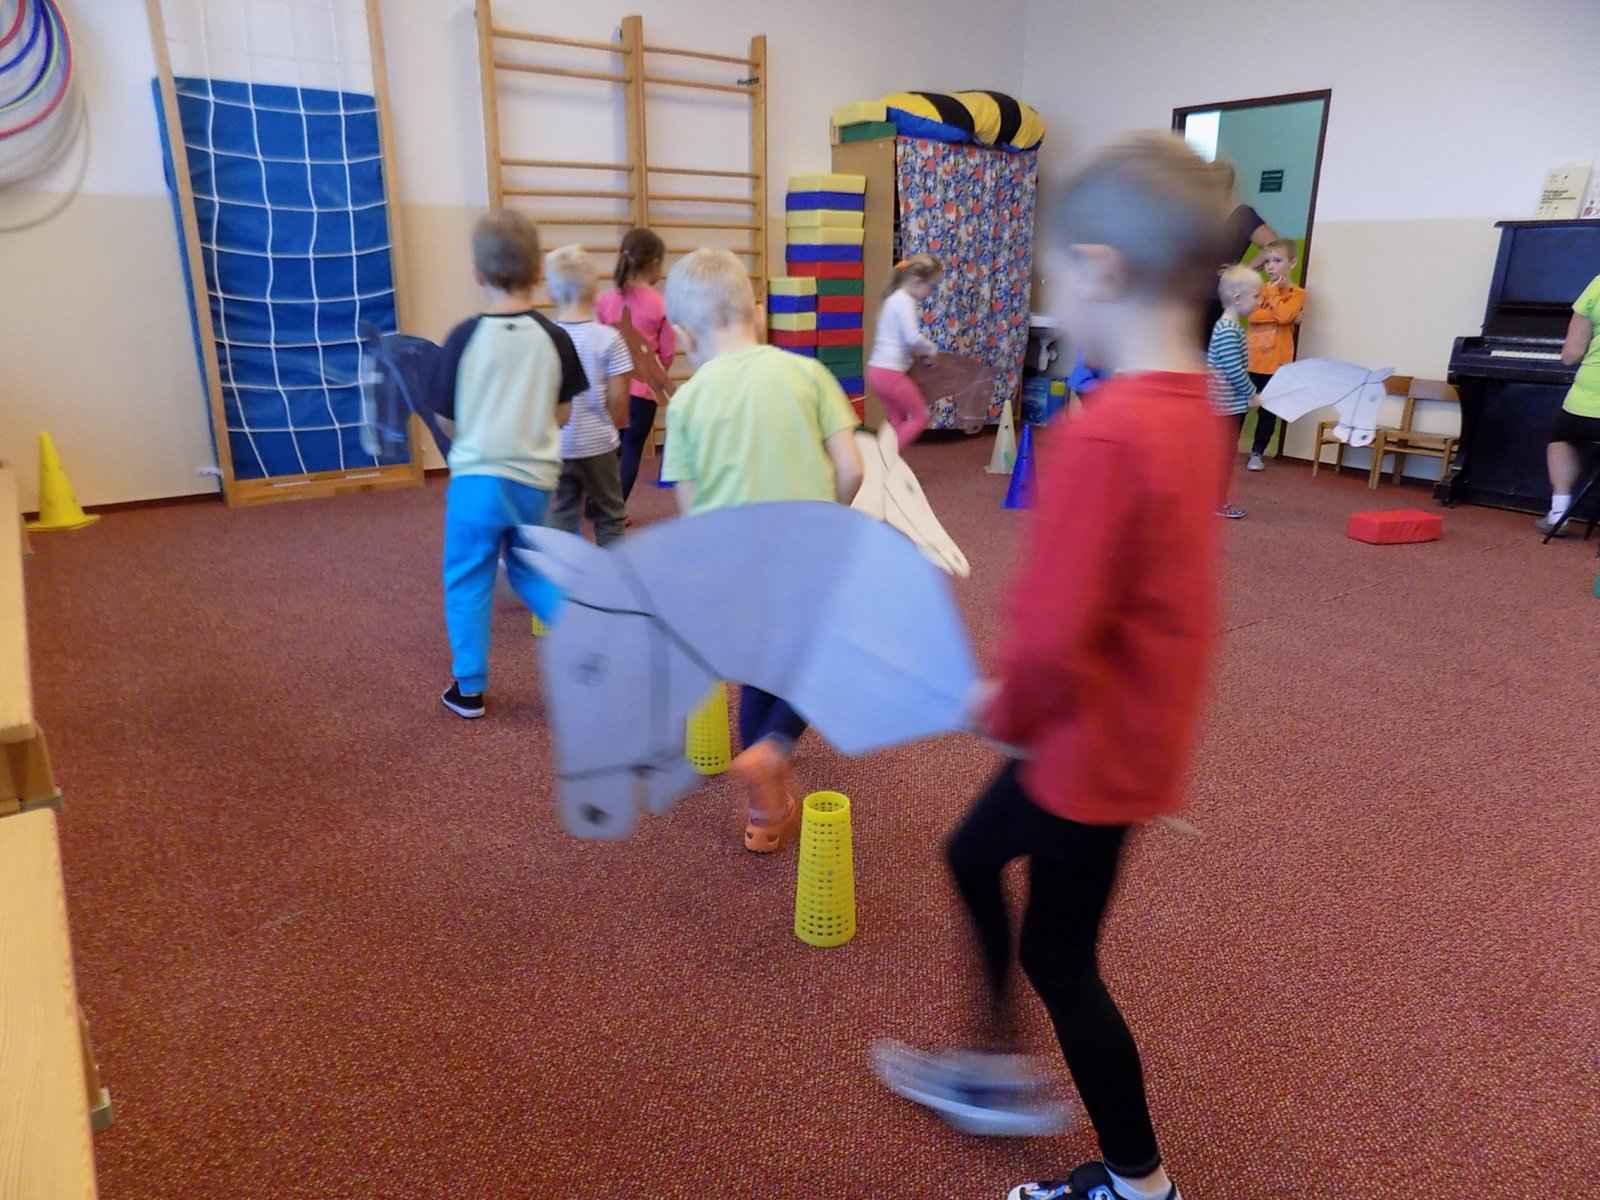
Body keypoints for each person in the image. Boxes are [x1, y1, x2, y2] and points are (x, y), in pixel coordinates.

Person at [870, 131, 1229, 1200]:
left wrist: (1003, 703)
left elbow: (1056, 627)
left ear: (1101, 271)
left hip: (1081, 748)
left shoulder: (1107, 431)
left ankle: (1137, 1182)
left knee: (1060, 962)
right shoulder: (1194, 412)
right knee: (972, 856)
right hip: (1121, 733)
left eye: (1055, 278)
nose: (1054, 305)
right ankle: (992, 1068)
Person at [660, 248, 864, 852]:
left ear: (682, 336)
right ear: (758, 312)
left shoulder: (687, 401)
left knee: (757, 672)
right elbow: (852, 468)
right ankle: (774, 749)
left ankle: (764, 813)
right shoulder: (808, 373)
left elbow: (691, 510)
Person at [432, 211, 587, 719]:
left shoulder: (463, 337)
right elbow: (563, 414)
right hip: (533, 482)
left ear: (477, 273)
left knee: (468, 576)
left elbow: (446, 419)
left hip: (476, 481)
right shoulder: (555, 337)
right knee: (527, 569)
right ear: (539, 271)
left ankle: (469, 688)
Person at [545, 245, 633, 547]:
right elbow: (619, 400)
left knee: (562, 513)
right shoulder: (610, 338)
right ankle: (613, 572)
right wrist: (613, 426)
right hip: (599, 444)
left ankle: (562, 571)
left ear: (552, 293)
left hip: (559, 444)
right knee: (610, 514)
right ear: (595, 291)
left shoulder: (546, 337)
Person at [596, 228, 675, 502]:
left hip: (611, 389)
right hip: (643, 393)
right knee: (631, 449)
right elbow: (667, 353)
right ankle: (615, 511)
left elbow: (597, 346)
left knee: (609, 450)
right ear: (654, 263)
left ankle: (598, 502)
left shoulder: (605, 301)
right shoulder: (660, 305)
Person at [1537, 271, 1600, 536]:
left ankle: (1559, 512)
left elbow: (1571, 355)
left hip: (1586, 401)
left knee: (1562, 439)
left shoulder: (1598, 285)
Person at [1198, 161, 1280, 345]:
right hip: (1192, 298)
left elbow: (1274, 245)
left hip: (1217, 299)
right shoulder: (1204, 216)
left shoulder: (1243, 215)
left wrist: (1243, 270)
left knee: (1211, 352)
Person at [867, 253, 943, 448]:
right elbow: (912, 337)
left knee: (897, 421)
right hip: (890, 373)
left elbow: (901, 341)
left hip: (877, 371)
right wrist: (931, 349)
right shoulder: (905, 301)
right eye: (932, 286)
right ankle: (883, 458)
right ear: (917, 281)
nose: (931, 292)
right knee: (921, 416)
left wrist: (919, 354)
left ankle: (882, 458)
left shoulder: (894, 298)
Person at [1244, 239, 1306, 471]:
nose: (1270, 266)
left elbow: (1284, 316)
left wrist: (1280, 308)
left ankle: (1257, 453)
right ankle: (1225, 449)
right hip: (1252, 360)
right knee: (1239, 407)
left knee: (1268, 411)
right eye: (1268, 261)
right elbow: (1253, 316)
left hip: (1278, 364)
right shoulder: (1258, 290)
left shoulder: (1298, 294)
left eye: (1277, 260)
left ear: (1292, 262)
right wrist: (1287, 316)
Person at [1208, 264, 1262, 519]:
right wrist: (1252, 393)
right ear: (1238, 298)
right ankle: (1216, 502)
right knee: (1222, 457)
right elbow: (1233, 369)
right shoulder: (1229, 329)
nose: (1259, 301)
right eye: (1256, 295)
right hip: (1225, 407)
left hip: (1225, 405)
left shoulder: (1229, 327)